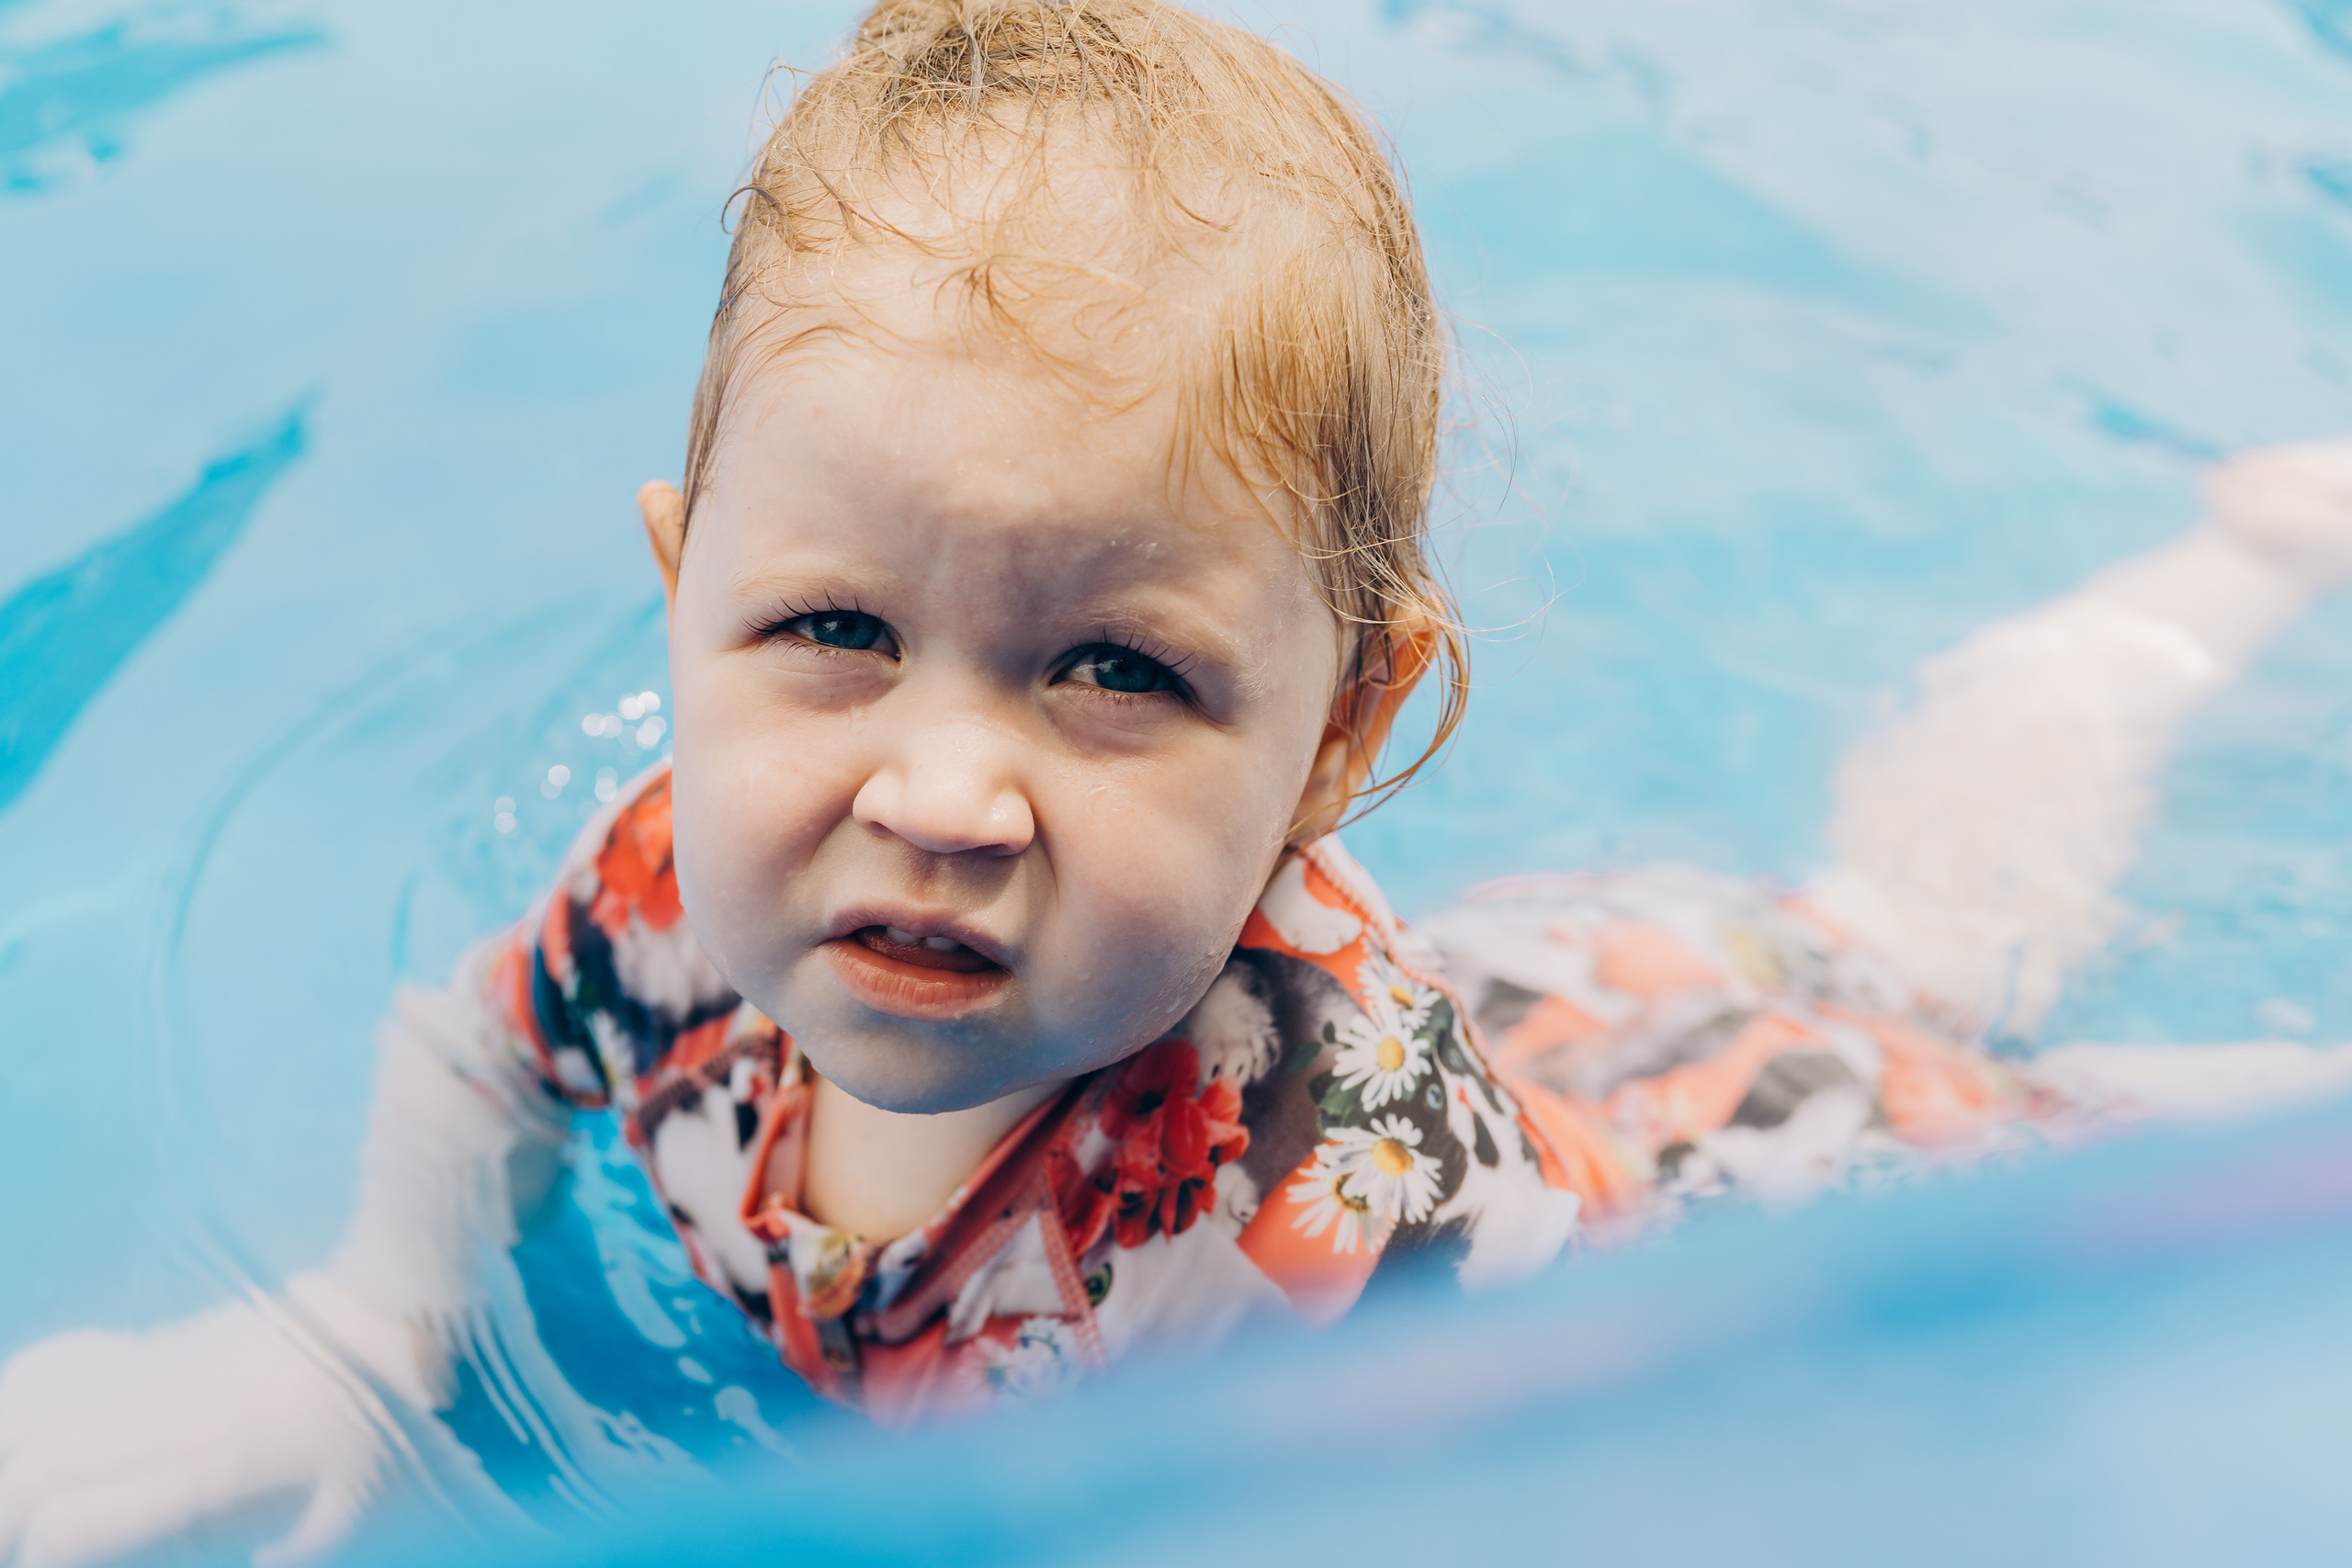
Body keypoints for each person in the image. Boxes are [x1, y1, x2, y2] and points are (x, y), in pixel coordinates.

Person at [3, 2, 2350, 1563]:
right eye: (831, 627)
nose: (935, 786)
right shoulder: (690, 874)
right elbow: (472, 1046)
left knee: (1989, 1022)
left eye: (1110, 670)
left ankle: (2181, 605)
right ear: (680, 585)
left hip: (1765, 1184)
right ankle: (2223, 566)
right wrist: (360, 1323)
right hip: (1573, 998)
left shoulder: (1318, 1236)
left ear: (1336, 733)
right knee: (1896, 906)